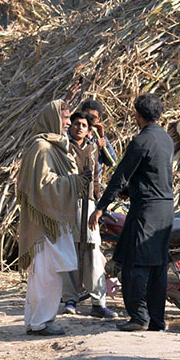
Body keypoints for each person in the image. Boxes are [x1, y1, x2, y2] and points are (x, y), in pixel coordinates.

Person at [89, 93, 174, 332]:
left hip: (146, 210)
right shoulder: (166, 139)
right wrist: (132, 189)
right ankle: (156, 320)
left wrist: (101, 207)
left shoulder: (141, 141)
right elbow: (152, 174)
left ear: (138, 115)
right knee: (158, 266)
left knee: (134, 263)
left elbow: (120, 176)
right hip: (166, 209)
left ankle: (139, 317)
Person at [18, 100, 92, 336]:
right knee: (45, 273)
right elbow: (43, 186)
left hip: (54, 222)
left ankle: (38, 320)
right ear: (52, 118)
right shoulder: (42, 148)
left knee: (48, 272)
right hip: (45, 223)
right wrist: (75, 182)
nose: (69, 123)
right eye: (65, 118)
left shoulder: (55, 146)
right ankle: (41, 322)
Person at [61, 111, 118, 319]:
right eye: (76, 124)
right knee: (71, 250)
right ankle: (70, 298)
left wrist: (99, 205)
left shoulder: (94, 147)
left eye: (84, 125)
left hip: (90, 204)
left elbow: (99, 174)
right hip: (69, 203)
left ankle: (98, 301)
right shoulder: (62, 147)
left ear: (88, 129)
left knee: (93, 251)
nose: (79, 128)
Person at [79, 99, 118, 173]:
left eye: (92, 117)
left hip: (95, 182)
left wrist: (102, 138)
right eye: (86, 116)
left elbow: (112, 162)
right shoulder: (73, 133)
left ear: (98, 119)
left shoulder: (98, 136)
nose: (89, 120)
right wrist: (93, 148)